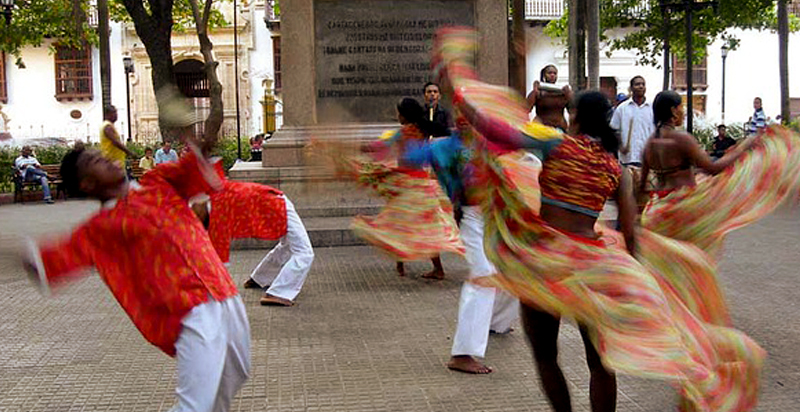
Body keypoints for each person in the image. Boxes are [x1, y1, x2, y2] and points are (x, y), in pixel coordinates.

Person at [435, 27, 765, 412]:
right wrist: (635, 278)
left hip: (545, 261)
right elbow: (630, 232)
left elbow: (494, 129)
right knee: (600, 364)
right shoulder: (616, 168)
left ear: (574, 116)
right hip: (593, 266)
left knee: (546, 357)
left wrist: (457, 89)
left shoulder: (554, 143)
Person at [21, 88, 250, 412]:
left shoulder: (159, 182)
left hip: (224, 293)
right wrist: (18, 255)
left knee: (231, 380)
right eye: (95, 162)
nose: (104, 158)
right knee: (196, 405)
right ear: (87, 185)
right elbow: (48, 261)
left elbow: (195, 166)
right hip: (187, 311)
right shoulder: (100, 229)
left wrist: (198, 135)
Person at [403, 119, 521, 375]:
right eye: (460, 113)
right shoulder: (445, 147)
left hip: (499, 215)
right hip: (473, 217)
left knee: (512, 268)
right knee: (482, 277)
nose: (464, 118)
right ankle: (462, 353)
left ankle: (497, 322)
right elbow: (410, 156)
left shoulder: (489, 142)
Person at [640, 90, 800, 258]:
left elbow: (643, 184)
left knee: (673, 265)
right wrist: (744, 146)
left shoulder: (650, 142)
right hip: (683, 211)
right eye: (681, 107)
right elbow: (713, 169)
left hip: (657, 212)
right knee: (693, 262)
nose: (683, 112)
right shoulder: (682, 139)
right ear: (673, 110)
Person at [319, 97, 464, 279]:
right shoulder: (423, 129)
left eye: (399, 113)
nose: (398, 116)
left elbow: (378, 146)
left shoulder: (402, 133)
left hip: (409, 186)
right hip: (422, 184)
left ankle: (408, 264)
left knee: (399, 223)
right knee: (426, 226)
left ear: (404, 115)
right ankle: (424, 266)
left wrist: (352, 147)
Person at [192, 176, 314, 307]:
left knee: (290, 247)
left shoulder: (217, 212)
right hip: (276, 203)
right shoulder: (216, 193)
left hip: (275, 205)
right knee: (303, 252)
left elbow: (217, 258)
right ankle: (278, 293)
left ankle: (260, 278)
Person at [610, 76, 654, 166]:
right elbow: (614, 130)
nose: (641, 86)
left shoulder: (653, 108)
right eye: (637, 84)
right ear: (631, 88)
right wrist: (621, 146)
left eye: (643, 84)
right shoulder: (622, 108)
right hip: (627, 159)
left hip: (648, 158)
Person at [526, 64, 572, 131]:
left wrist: (569, 94)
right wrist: (535, 91)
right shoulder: (539, 92)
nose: (552, 75)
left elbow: (572, 110)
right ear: (544, 75)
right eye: (549, 73)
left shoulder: (562, 93)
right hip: (541, 128)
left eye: (555, 73)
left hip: (560, 128)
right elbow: (527, 108)